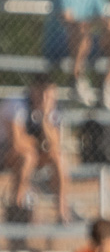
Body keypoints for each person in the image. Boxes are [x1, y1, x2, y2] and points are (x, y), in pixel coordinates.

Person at [2, 73, 71, 223]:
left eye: (50, 94)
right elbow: (16, 142)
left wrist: (45, 117)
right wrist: (40, 144)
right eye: (42, 93)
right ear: (33, 91)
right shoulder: (17, 104)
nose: (45, 98)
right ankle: (17, 207)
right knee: (28, 157)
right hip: (5, 151)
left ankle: (61, 210)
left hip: (34, 152)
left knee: (57, 157)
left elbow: (54, 145)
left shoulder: (52, 111)